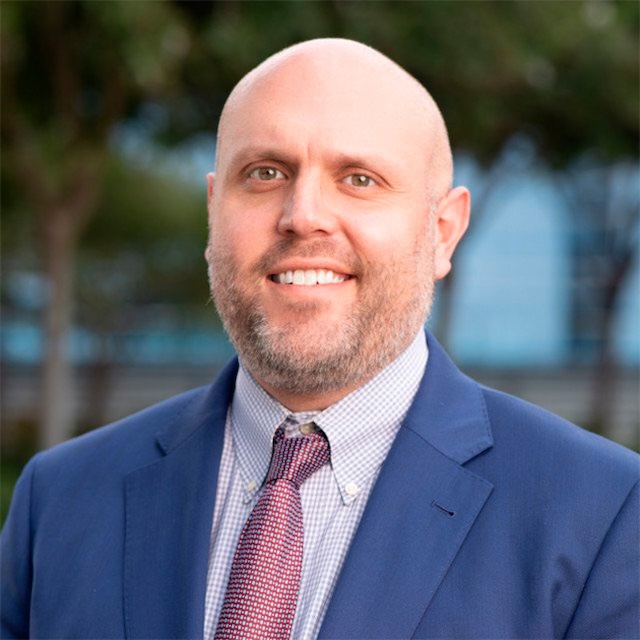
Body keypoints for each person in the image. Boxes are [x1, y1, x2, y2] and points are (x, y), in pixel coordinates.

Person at [1, 38, 638, 640]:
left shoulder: (604, 514)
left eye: (359, 179)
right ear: (213, 211)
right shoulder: (57, 502)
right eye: (265, 172)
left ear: (443, 231)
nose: (302, 215)